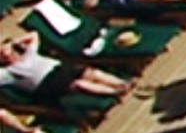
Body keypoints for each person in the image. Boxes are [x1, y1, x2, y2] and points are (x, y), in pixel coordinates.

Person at [0, 32, 132, 101]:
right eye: (3, 56)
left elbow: (34, 35)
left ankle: (122, 83)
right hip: (47, 83)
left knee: (90, 72)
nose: (8, 56)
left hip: (59, 69)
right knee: (79, 84)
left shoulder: (29, 53)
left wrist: (14, 41)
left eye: (9, 53)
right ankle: (115, 92)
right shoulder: (8, 72)